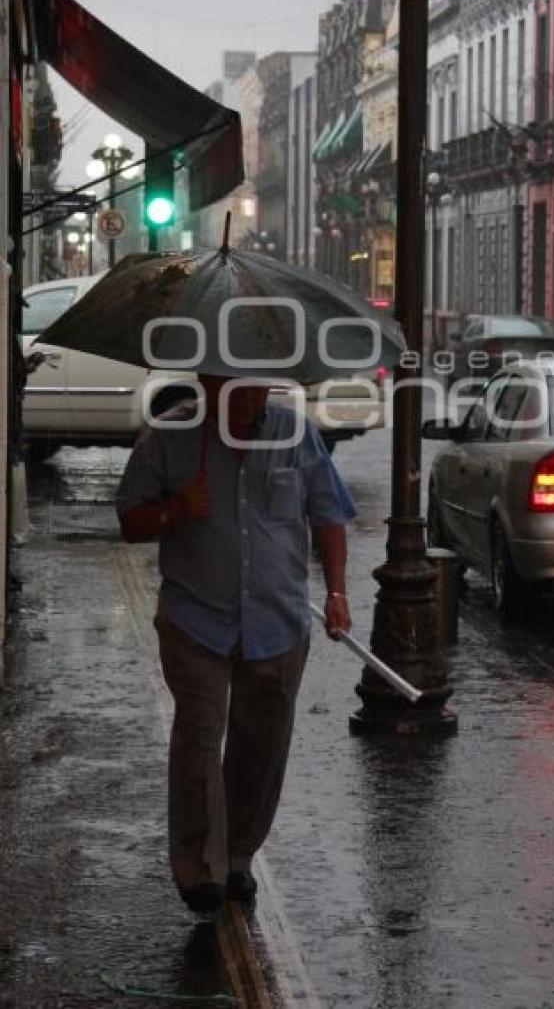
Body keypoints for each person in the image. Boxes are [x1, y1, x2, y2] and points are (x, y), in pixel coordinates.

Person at [116, 374, 356, 916]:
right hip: (196, 620)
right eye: (236, 388)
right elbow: (129, 520)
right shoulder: (170, 437)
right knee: (201, 735)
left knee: (262, 744)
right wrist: (174, 511)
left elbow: (328, 515)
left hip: (278, 621)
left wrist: (337, 592)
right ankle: (201, 870)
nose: (250, 401)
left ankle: (239, 855)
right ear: (207, 382)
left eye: (259, 389)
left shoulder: (294, 433)